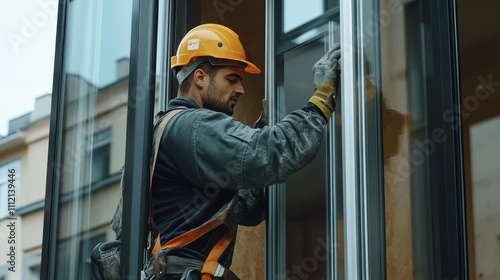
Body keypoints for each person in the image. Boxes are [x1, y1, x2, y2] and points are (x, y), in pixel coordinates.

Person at [147, 23, 340, 280]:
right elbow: (269, 154)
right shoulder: (194, 126)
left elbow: (245, 212)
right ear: (200, 77)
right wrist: (321, 101)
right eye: (232, 79)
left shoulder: (159, 133)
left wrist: (253, 145)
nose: (241, 90)